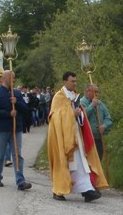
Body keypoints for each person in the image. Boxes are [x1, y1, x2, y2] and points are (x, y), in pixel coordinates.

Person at [48, 71, 108, 202]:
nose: (75, 84)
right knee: (64, 163)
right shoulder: (59, 97)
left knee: (80, 163)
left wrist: (79, 114)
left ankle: (87, 190)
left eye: (75, 81)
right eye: (72, 81)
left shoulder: (75, 96)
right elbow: (55, 117)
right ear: (65, 81)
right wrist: (71, 113)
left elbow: (80, 115)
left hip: (76, 135)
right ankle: (58, 190)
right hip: (63, 137)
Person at [0, 70, 32, 191]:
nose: (12, 80)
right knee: (0, 155)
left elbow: (25, 109)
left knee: (17, 155)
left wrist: (16, 102)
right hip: (2, 129)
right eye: (10, 78)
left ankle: (20, 181)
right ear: (3, 79)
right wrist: (8, 113)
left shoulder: (17, 93)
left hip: (15, 129)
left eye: (13, 78)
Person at [80, 83, 113, 160]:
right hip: (87, 139)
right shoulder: (81, 102)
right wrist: (92, 106)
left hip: (99, 138)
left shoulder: (100, 103)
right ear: (87, 91)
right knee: (89, 163)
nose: (97, 94)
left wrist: (104, 126)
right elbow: (82, 116)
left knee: (99, 160)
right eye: (95, 92)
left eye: (97, 92)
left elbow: (108, 118)